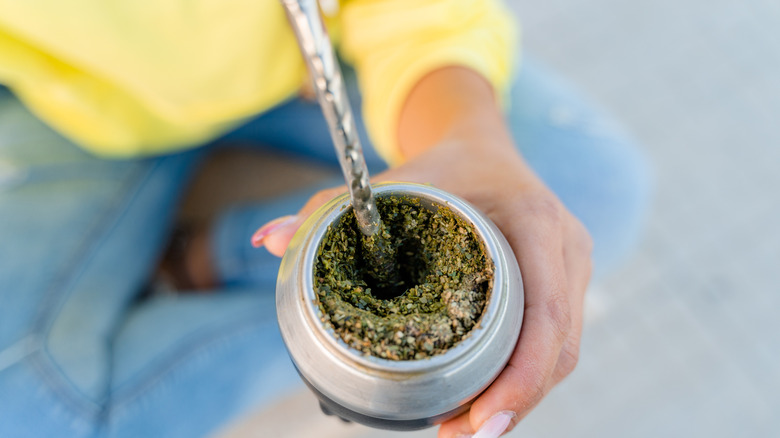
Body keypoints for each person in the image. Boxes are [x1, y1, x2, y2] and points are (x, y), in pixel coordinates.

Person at [0, 1, 650, 437]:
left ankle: (212, 258)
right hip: (71, 102)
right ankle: (275, 291)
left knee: (578, 200)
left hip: (308, 60)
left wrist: (466, 133)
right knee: (26, 412)